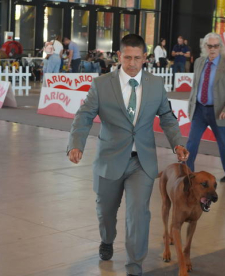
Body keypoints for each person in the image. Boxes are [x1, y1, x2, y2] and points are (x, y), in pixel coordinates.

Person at [67, 34, 189, 276]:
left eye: (137, 58)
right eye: (127, 57)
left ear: (145, 57)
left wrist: (177, 144)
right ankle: (107, 239)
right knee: (106, 212)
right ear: (119, 56)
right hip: (109, 160)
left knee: (138, 215)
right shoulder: (102, 84)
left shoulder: (155, 85)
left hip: (141, 163)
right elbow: (84, 115)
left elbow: (166, 116)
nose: (132, 63)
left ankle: (135, 266)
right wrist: (76, 143)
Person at [186, 32, 225, 182]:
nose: (212, 49)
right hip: (199, 109)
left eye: (216, 46)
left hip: (219, 111)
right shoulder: (199, 62)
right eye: (209, 46)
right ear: (205, 47)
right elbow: (195, 86)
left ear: (220, 47)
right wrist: (191, 106)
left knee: (224, 142)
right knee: (191, 142)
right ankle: (186, 171)